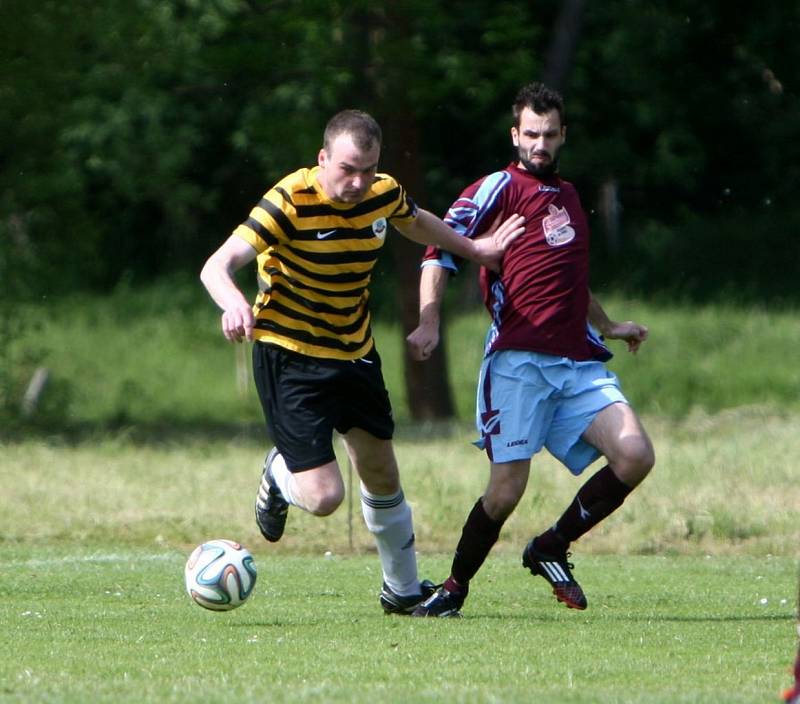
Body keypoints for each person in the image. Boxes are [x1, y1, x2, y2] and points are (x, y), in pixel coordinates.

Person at [200, 109, 524, 615]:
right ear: (323, 157)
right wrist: (234, 303)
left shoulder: (382, 191)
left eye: (367, 169)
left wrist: (474, 250)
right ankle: (278, 474)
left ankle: (402, 589)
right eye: (347, 168)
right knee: (326, 497)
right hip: (291, 355)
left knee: (380, 472)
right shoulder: (288, 200)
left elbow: (417, 224)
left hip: (354, 351)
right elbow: (216, 266)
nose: (357, 182)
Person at [407, 83, 655, 617]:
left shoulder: (567, 195)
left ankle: (550, 546)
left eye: (550, 134)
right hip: (519, 363)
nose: (540, 144)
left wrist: (610, 326)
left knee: (635, 455)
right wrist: (430, 322)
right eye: (531, 134)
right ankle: (453, 589)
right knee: (505, 490)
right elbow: (437, 249)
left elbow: (568, 280)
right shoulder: (498, 187)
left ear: (563, 135)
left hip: (578, 364)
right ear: (515, 134)